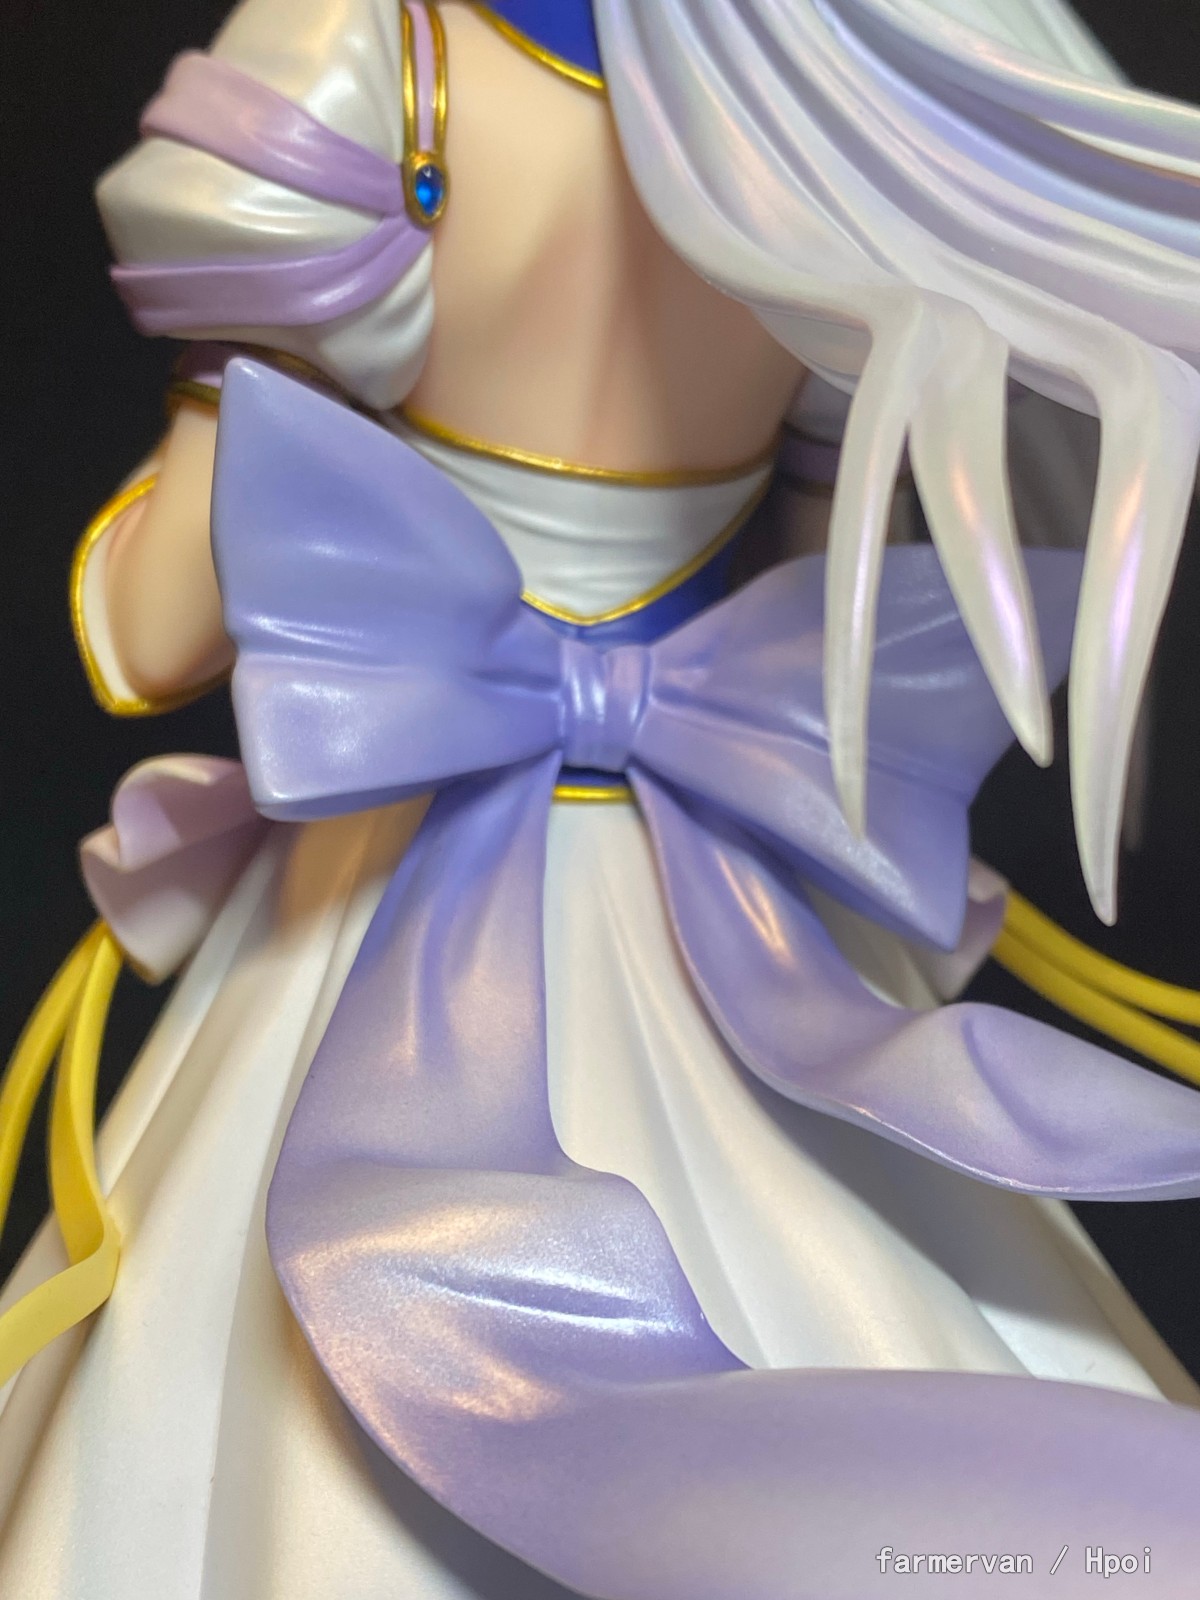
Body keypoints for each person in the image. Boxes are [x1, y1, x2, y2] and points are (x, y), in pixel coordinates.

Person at [2, 2, 1200, 1594]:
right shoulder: (832, 111)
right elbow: (808, 619)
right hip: (718, 861)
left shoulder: (364, 44)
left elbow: (151, 631)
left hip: (390, 872)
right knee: (884, 1322)